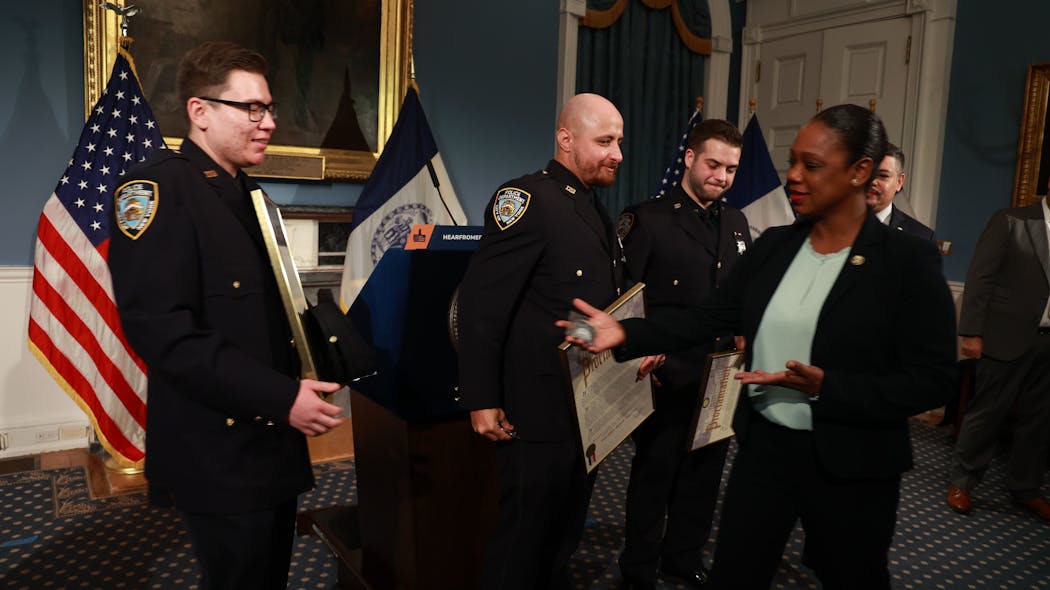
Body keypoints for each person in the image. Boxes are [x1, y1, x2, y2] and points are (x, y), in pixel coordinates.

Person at [560, 104, 957, 589]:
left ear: (859, 173)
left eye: (811, 165)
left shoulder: (907, 260)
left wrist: (829, 387)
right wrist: (626, 333)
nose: (792, 176)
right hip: (764, 451)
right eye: (792, 161)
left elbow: (934, 380)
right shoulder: (775, 246)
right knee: (738, 572)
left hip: (854, 464)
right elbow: (708, 317)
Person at [108, 41, 345, 589]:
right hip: (218, 447)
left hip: (270, 444)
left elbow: (268, 316)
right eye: (253, 109)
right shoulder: (156, 190)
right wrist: (283, 398)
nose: (269, 123)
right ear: (200, 112)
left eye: (270, 108)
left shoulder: (249, 194)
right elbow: (166, 333)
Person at [457, 92, 625, 590]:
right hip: (536, 408)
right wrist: (481, 398)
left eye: (619, 141)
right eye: (605, 141)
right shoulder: (527, 201)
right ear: (566, 139)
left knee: (564, 534)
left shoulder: (594, 207)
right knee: (522, 542)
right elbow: (482, 306)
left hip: (587, 404)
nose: (617, 152)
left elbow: (569, 307)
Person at [615, 119, 749, 590]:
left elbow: (737, 291)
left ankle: (683, 556)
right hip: (667, 368)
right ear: (690, 158)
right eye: (714, 164)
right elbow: (625, 295)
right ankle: (639, 568)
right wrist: (636, 353)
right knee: (656, 473)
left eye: (731, 168)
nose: (722, 176)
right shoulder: (647, 218)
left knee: (705, 473)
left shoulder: (735, 221)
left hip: (719, 373)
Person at [946, 182, 1050, 523]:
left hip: (1047, 344)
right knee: (988, 413)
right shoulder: (1011, 221)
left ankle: (1026, 489)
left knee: (1038, 422)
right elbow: (980, 277)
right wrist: (973, 332)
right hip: (1005, 337)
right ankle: (962, 482)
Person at [866, 143, 936, 240]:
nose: (872, 181)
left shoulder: (921, 237)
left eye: (883, 176)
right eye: (867, 173)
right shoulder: (837, 223)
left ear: (899, 182)